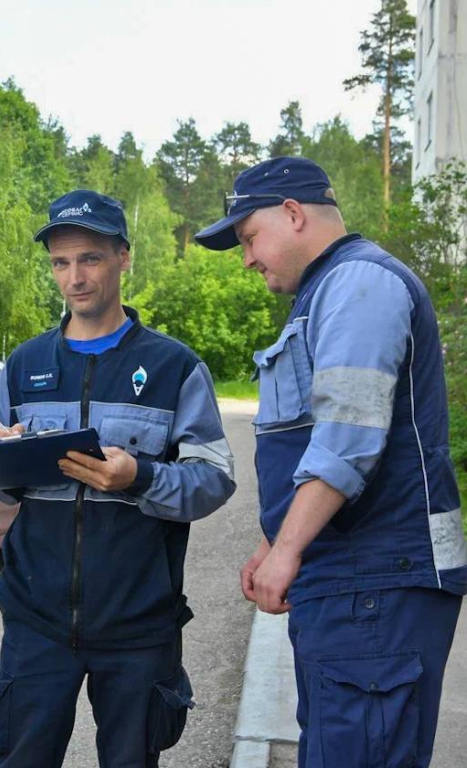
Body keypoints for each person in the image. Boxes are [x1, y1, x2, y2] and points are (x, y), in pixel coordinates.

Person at [195, 156, 466, 768]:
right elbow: (313, 436)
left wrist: (288, 548)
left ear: (293, 214)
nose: (247, 258)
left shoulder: (359, 284)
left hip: (375, 582)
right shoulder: (330, 290)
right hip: (357, 583)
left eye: (248, 237)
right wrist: (274, 541)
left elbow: (348, 435)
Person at [0, 190, 237, 767]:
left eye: (90, 258)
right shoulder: (24, 366)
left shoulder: (174, 367)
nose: (75, 277)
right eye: (61, 262)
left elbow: (214, 479)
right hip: (36, 623)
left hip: (139, 627)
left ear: (124, 256)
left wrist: (138, 477)